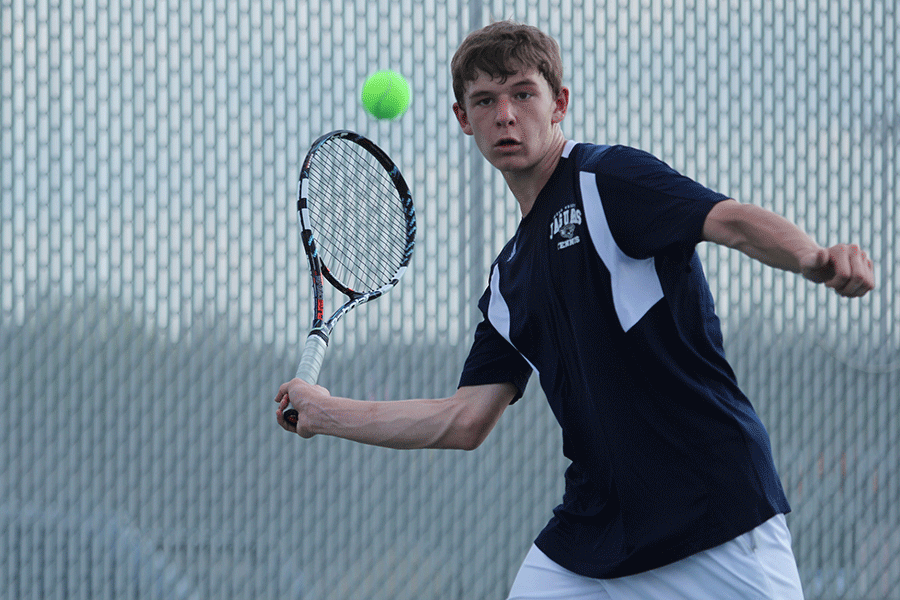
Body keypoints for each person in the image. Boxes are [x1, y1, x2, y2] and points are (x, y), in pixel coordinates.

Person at [276, 20, 875, 600]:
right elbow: (462, 420)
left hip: (713, 513)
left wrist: (813, 258)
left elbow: (732, 221)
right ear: (463, 119)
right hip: (594, 538)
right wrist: (328, 412)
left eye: (522, 94)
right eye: (484, 100)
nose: (505, 115)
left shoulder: (607, 179)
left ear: (558, 102)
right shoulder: (510, 279)